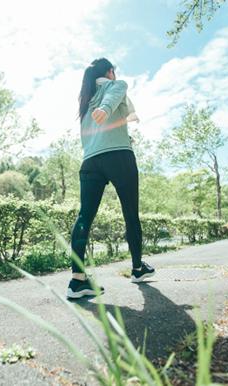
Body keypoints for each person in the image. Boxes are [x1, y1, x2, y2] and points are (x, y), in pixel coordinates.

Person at [67, 58, 155, 299]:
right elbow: (112, 100)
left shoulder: (85, 101)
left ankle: (77, 281)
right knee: (130, 213)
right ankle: (137, 268)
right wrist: (105, 110)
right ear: (110, 71)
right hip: (119, 157)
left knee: (84, 216)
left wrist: (105, 114)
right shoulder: (116, 86)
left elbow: (103, 126)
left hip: (90, 162)